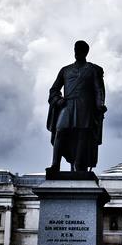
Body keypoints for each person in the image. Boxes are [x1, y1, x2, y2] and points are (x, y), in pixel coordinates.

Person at [46, 40, 106, 173]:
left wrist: (99, 105)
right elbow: (54, 89)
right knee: (60, 131)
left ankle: (79, 165)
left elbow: (98, 90)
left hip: (85, 107)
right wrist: (57, 100)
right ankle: (55, 164)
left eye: (79, 49)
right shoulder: (65, 70)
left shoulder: (92, 70)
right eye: (75, 49)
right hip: (67, 106)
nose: (76, 52)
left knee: (82, 134)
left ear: (85, 52)